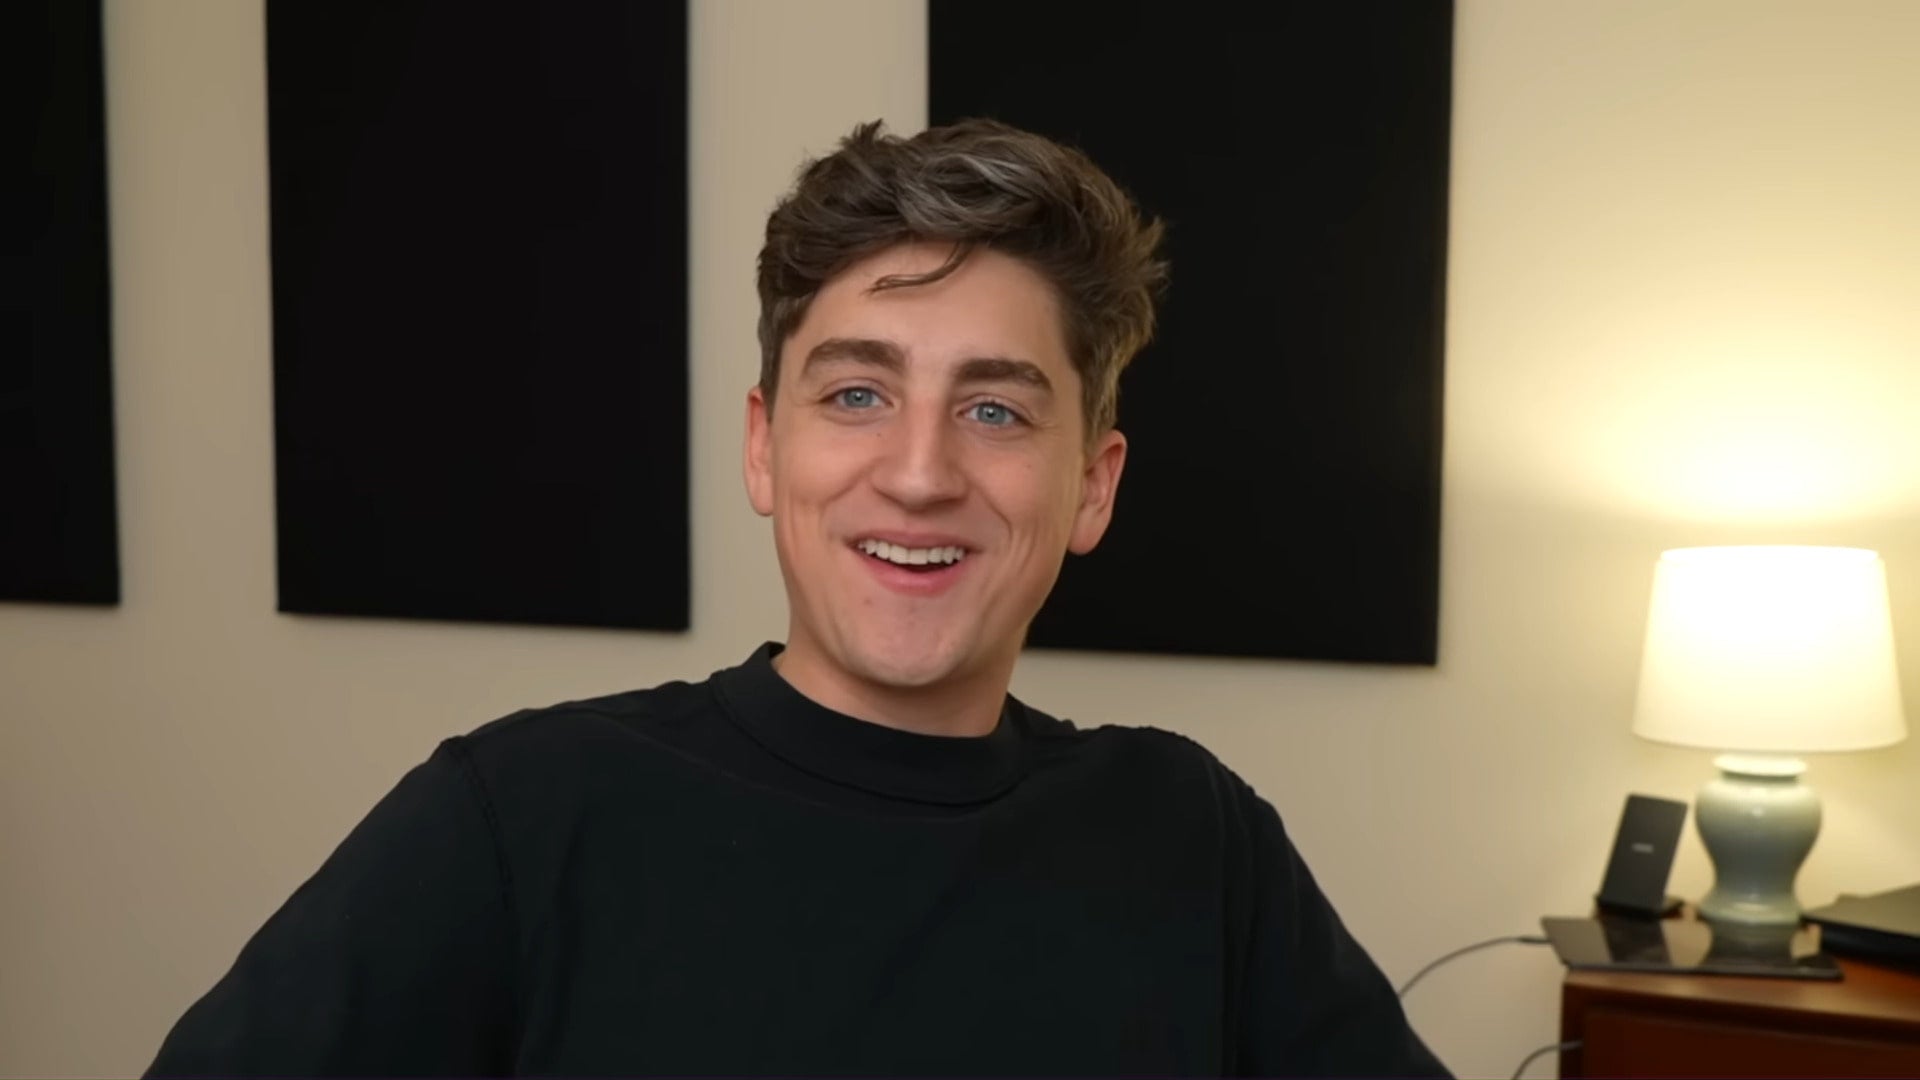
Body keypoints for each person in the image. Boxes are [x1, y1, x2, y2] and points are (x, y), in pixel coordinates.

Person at [147, 119, 1448, 1078]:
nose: (921, 472)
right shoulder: (522, 816)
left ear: (1093, 487)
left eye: (994, 408)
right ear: (767, 449)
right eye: (858, 394)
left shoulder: (1191, 837)